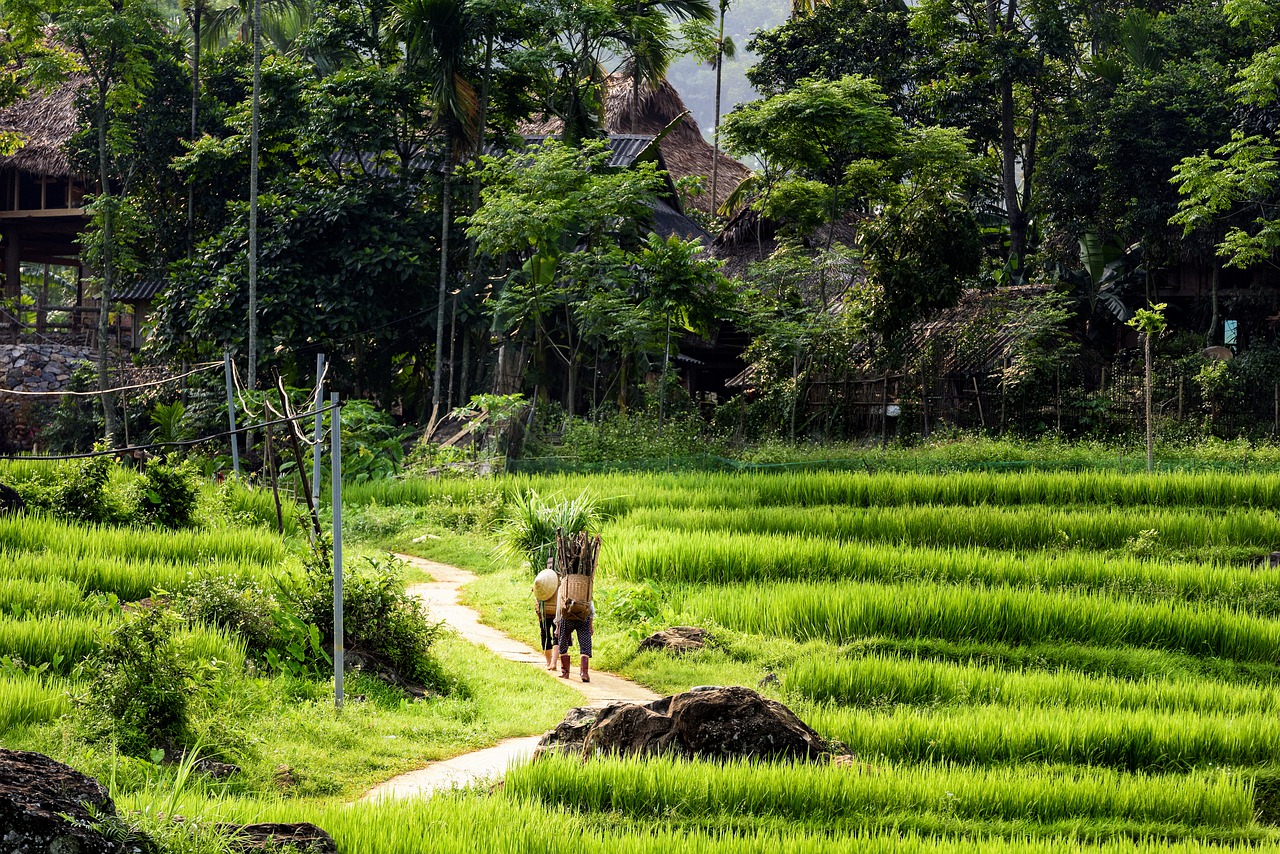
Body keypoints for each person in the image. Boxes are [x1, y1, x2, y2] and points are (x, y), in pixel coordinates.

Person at [555, 599, 593, 683]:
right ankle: (584, 673)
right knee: (585, 643)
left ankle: (565, 672)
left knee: (563, 642)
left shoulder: (564, 587)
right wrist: (590, 623)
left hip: (566, 618)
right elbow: (591, 605)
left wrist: (557, 624)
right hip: (583, 618)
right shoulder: (585, 587)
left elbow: (559, 606)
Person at [532, 565, 560, 670]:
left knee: (545, 634)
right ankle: (553, 663)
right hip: (556, 611)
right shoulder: (559, 581)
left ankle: (549, 662)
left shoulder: (540, 583)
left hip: (544, 612)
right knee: (556, 634)